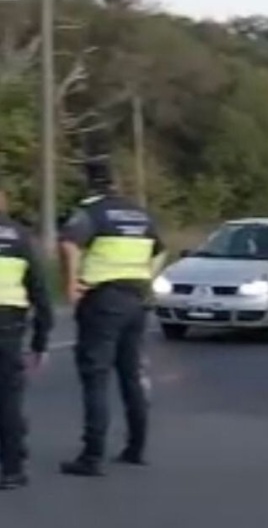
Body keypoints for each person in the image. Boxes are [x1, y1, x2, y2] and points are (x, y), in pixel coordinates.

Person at [57, 150, 167, 477]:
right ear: (115, 181)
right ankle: (136, 448)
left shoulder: (92, 212)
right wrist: (145, 275)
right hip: (136, 299)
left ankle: (92, 457)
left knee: (96, 376)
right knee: (130, 376)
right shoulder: (140, 214)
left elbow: (68, 243)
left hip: (103, 299)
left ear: (90, 182)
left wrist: (72, 283)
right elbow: (160, 250)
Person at [0, 184, 53, 490]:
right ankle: (12, 469)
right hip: (8, 328)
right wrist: (40, 343)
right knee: (8, 398)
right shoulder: (21, 236)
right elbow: (41, 293)